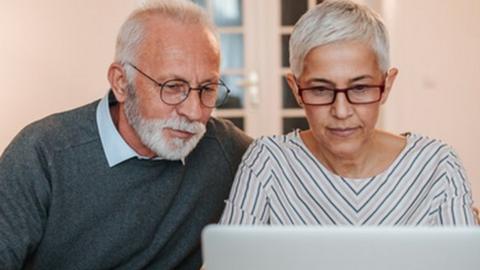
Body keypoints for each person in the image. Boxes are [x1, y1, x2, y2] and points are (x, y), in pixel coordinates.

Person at [0, 0, 252, 269]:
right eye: (173, 86)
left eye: (207, 88)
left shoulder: (226, 150)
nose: (194, 111)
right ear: (121, 83)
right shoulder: (41, 155)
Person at [220, 0, 477, 226]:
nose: (341, 111)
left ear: (386, 86)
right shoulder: (268, 161)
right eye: (320, 89)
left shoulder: (437, 165)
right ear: (296, 90)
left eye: (360, 88)